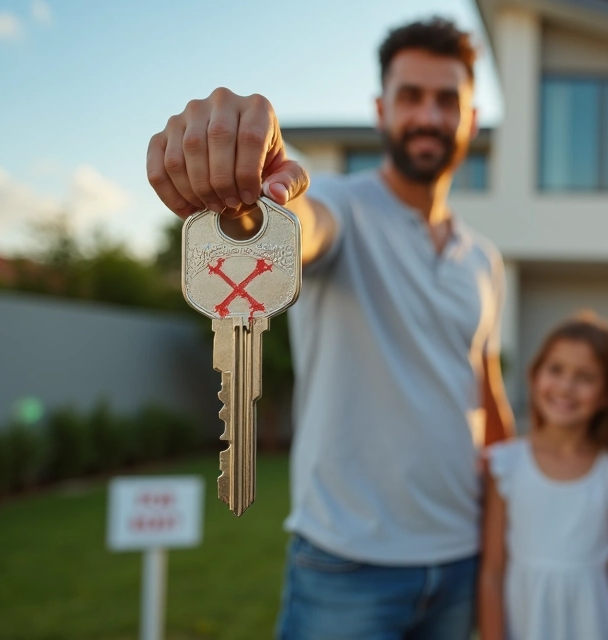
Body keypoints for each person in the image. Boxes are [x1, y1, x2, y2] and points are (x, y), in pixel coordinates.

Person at [144, 17, 514, 640]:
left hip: (459, 557)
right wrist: (253, 195)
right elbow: (302, 225)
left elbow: (486, 392)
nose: (428, 114)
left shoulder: (484, 260)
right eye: (410, 96)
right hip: (345, 565)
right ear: (380, 110)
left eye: (447, 99)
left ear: (471, 120)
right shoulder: (340, 205)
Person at [478, 315, 608, 640]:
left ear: (607, 394)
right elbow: (493, 574)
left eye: (584, 377)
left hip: (593, 624)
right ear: (535, 375)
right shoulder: (506, 464)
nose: (566, 387)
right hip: (526, 624)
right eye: (556, 370)